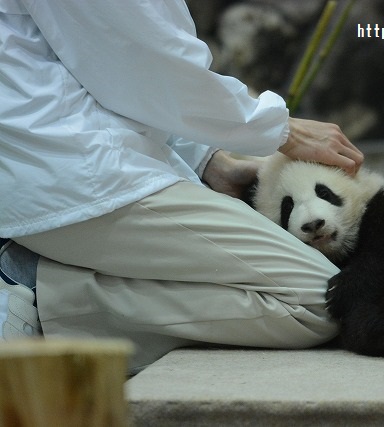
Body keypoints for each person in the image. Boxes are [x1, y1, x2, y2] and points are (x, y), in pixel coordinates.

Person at [0, 1, 363, 371]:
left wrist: (206, 160)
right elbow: (138, 58)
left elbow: (95, 63)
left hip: (74, 159)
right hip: (74, 173)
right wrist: (279, 130)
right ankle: (39, 293)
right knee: (324, 301)